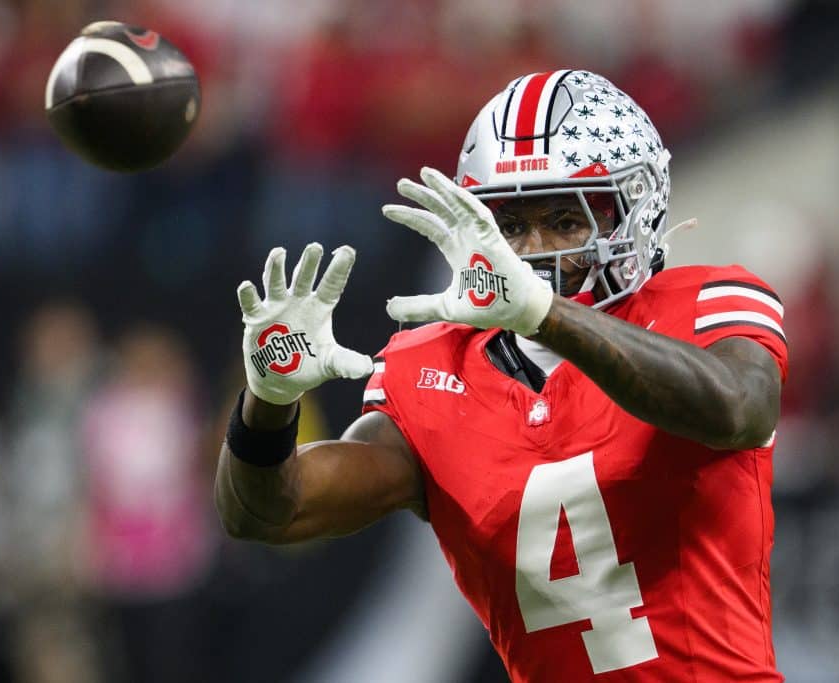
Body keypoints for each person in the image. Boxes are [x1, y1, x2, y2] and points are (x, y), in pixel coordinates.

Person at [215, 70, 787, 682]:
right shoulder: (434, 370)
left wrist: (546, 317)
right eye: (510, 226)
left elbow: (740, 410)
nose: (531, 252)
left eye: (564, 223)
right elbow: (268, 513)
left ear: (633, 213)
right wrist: (268, 403)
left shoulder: (698, 306)